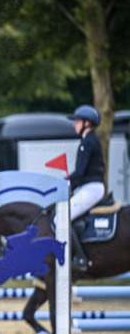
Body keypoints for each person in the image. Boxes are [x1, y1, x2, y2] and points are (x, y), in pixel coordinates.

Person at [67, 104, 105, 272]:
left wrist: (65, 184)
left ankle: (80, 258)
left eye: (77, 121)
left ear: (87, 123)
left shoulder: (87, 142)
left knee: (61, 217)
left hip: (91, 188)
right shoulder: (88, 141)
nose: (74, 124)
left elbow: (80, 172)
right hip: (89, 187)